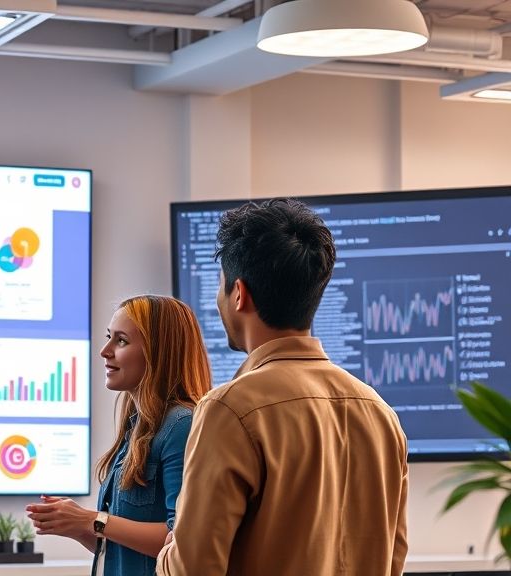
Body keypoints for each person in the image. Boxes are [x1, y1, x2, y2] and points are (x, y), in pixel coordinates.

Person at [157, 199, 409, 575]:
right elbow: (394, 559)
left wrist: (169, 550)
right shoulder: (380, 413)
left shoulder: (230, 409)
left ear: (238, 294)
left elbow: (193, 569)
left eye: (220, 286)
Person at [25, 295, 212, 576]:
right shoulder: (136, 428)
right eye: (109, 337)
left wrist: (94, 521)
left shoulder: (181, 424)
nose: (104, 351)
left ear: (157, 352)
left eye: (121, 341)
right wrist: (77, 525)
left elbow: (182, 541)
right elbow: (119, 549)